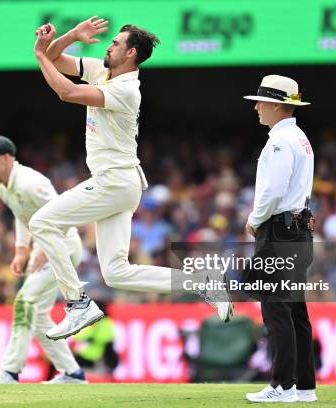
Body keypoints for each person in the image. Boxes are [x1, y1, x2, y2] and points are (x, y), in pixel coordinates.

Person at [31, 17, 233, 340]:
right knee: (116, 272)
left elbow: (66, 91)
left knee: (42, 222)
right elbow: (56, 58)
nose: (109, 45)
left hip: (114, 180)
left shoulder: (127, 90)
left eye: (116, 44)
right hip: (119, 183)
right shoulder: (103, 71)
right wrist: (72, 36)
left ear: (131, 54)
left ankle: (77, 303)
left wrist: (40, 56)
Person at [0, 136, 87, 384]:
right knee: (38, 316)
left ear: (6, 158)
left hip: (63, 247)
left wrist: (43, 250)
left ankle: (10, 371)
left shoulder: (30, 183)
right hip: (47, 246)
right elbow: (22, 216)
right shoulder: (2, 186)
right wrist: (21, 249)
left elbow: (64, 216)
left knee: (24, 301)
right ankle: (72, 373)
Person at [243, 75, 318, 402]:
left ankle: (282, 386)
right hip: (299, 230)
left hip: (280, 229)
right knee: (295, 312)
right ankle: (304, 387)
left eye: (260, 102)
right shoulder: (299, 137)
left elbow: (272, 191)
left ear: (276, 104)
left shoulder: (279, 141)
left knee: (276, 310)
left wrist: (254, 220)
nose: (257, 107)